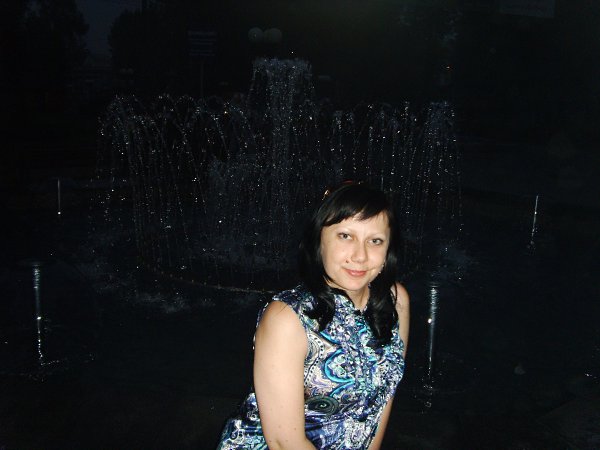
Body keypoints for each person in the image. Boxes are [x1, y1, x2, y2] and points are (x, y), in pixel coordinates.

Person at [217, 182, 410, 450]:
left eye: (375, 241)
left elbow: (384, 397)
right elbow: (284, 443)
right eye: (345, 236)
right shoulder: (287, 319)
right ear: (319, 240)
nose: (360, 255)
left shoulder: (395, 300)